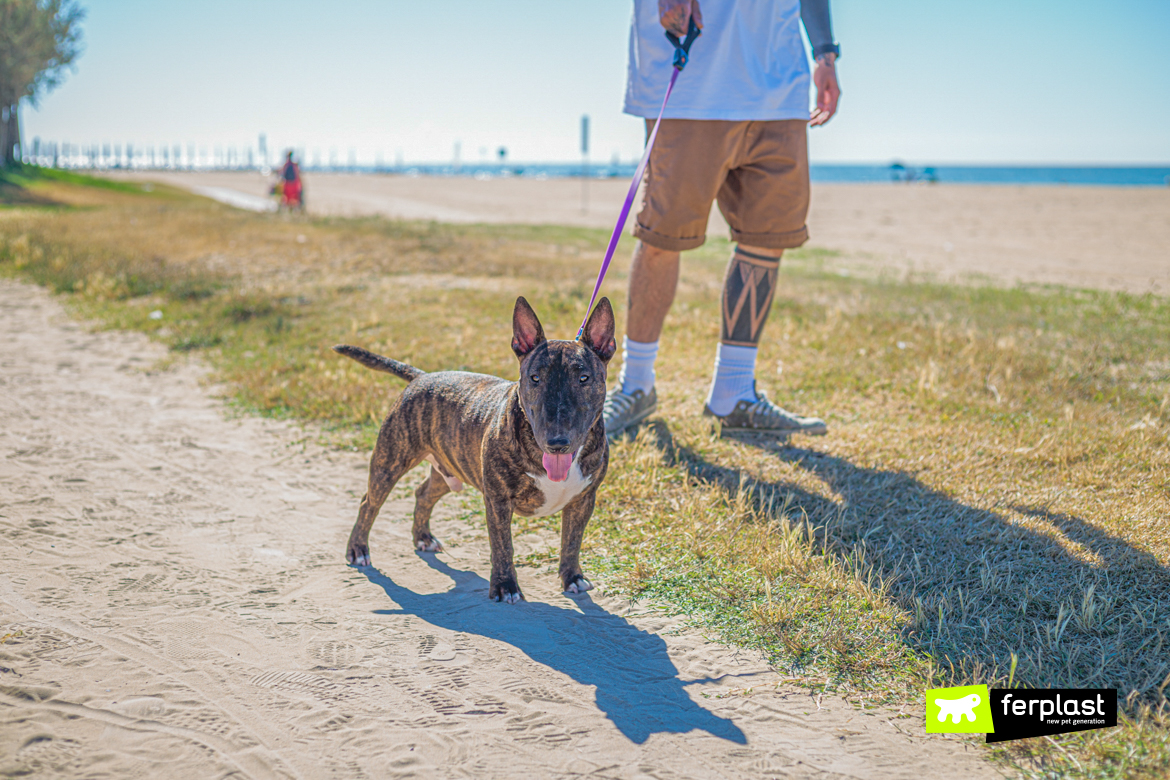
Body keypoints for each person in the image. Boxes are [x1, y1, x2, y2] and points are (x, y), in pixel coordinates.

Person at [604, 0, 841, 438]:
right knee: (662, 236)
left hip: (778, 84)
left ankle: (733, 392)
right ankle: (635, 384)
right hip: (692, 79)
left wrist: (824, 52)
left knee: (767, 237)